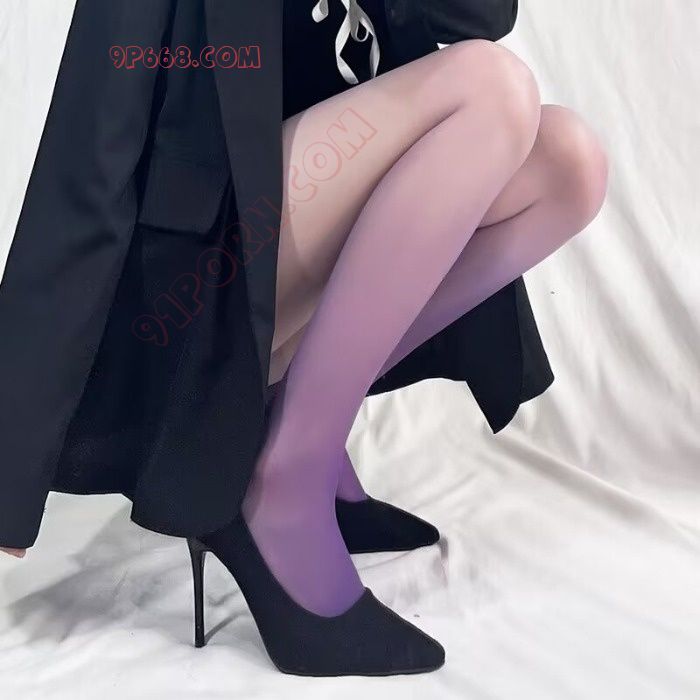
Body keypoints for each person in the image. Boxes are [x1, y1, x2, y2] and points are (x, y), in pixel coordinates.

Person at [0, 0, 608, 676]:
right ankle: (284, 482)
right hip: (195, 283)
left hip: (292, 226)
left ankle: (288, 422)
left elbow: (480, 16)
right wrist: (12, 464)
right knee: (492, 89)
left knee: (568, 163)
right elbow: (86, 152)